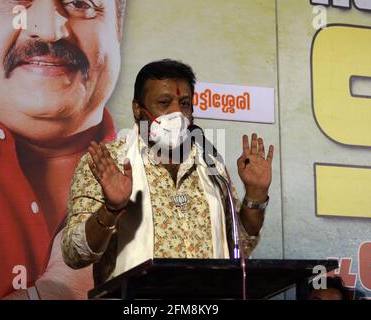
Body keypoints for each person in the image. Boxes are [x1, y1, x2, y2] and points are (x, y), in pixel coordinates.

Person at [0, 0, 125, 299]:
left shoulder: (168, 182)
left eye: (81, 2)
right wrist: (52, 294)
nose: (49, 30)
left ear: (118, 28)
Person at [62, 59, 274, 286]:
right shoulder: (107, 163)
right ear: (137, 108)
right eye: (164, 103)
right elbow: (75, 254)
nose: (177, 114)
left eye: (184, 104)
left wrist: (256, 195)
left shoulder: (211, 164)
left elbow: (239, 247)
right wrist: (111, 209)